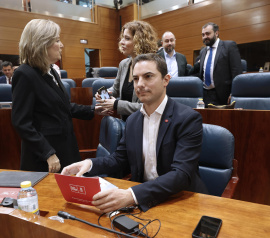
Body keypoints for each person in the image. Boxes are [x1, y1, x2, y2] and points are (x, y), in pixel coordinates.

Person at [62, 53, 208, 212]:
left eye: (148, 76)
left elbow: (181, 175)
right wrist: (90, 163)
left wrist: (131, 195)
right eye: (136, 79)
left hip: (180, 199)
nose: (140, 84)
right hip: (144, 200)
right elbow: (119, 159)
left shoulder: (188, 119)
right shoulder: (133, 120)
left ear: (166, 80)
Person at [12, 19, 102, 173]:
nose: (62, 45)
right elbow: (22, 123)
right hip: (46, 157)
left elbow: (62, 107)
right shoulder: (24, 74)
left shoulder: (50, 70)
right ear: (42, 43)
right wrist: (48, 153)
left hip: (66, 148)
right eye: (57, 40)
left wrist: (93, 110)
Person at [95, 20, 158, 121]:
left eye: (127, 38)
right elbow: (115, 90)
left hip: (145, 123)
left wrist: (116, 104)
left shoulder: (152, 66)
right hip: (127, 122)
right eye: (122, 38)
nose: (121, 42)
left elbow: (147, 107)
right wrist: (104, 94)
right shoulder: (123, 64)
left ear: (139, 41)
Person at [190, 22, 242, 106]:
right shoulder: (203, 51)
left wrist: (234, 93)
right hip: (205, 95)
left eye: (208, 34)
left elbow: (237, 72)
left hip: (223, 95)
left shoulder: (229, 46)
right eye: (203, 35)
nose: (205, 37)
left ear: (216, 33)